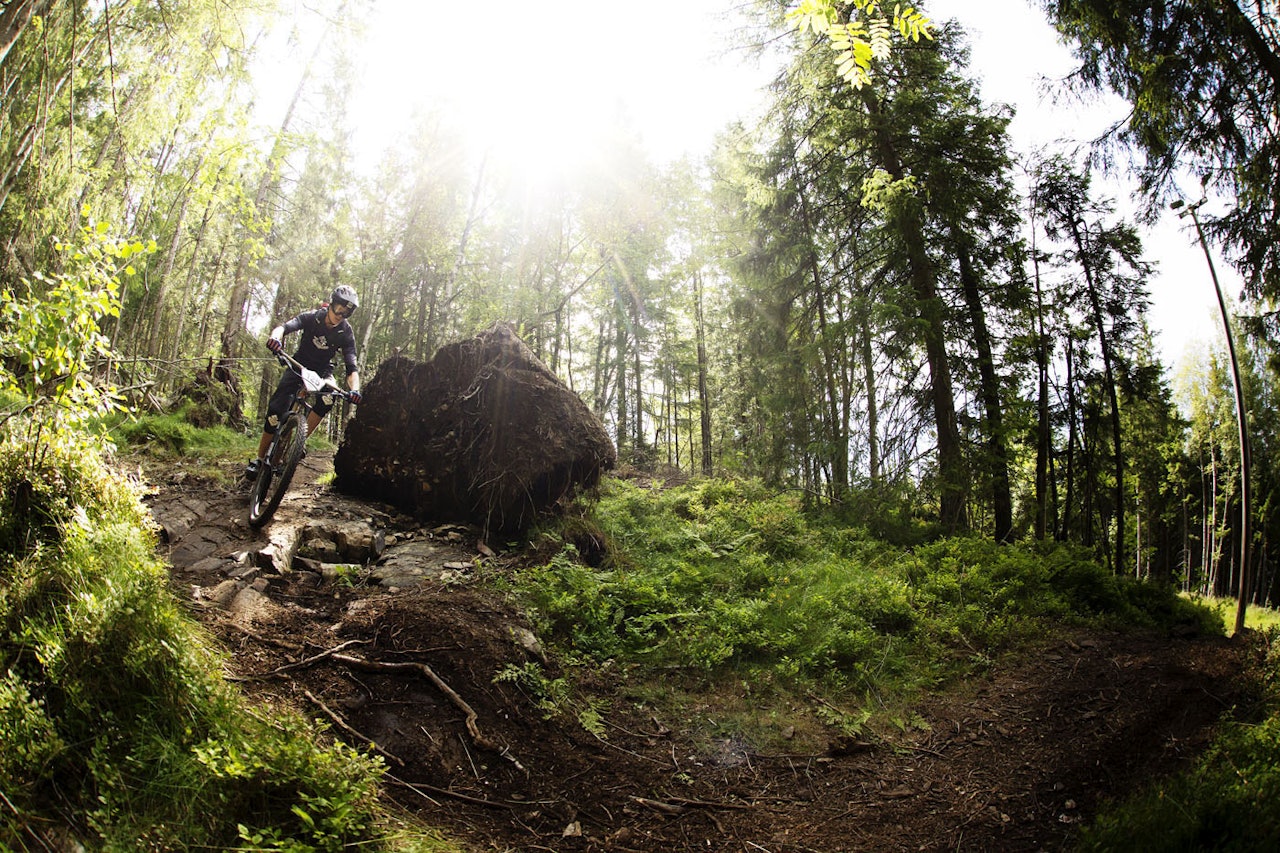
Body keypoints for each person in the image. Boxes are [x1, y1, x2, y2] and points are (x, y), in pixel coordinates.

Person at [245, 284, 363, 478]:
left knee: (329, 398)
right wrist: (275, 338)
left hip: (323, 371)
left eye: (346, 313)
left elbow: (352, 367)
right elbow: (285, 327)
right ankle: (259, 459)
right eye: (339, 308)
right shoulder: (313, 317)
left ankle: (297, 444)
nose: (341, 315)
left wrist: (355, 390)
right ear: (332, 303)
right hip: (298, 365)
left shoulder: (346, 332)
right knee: (275, 412)